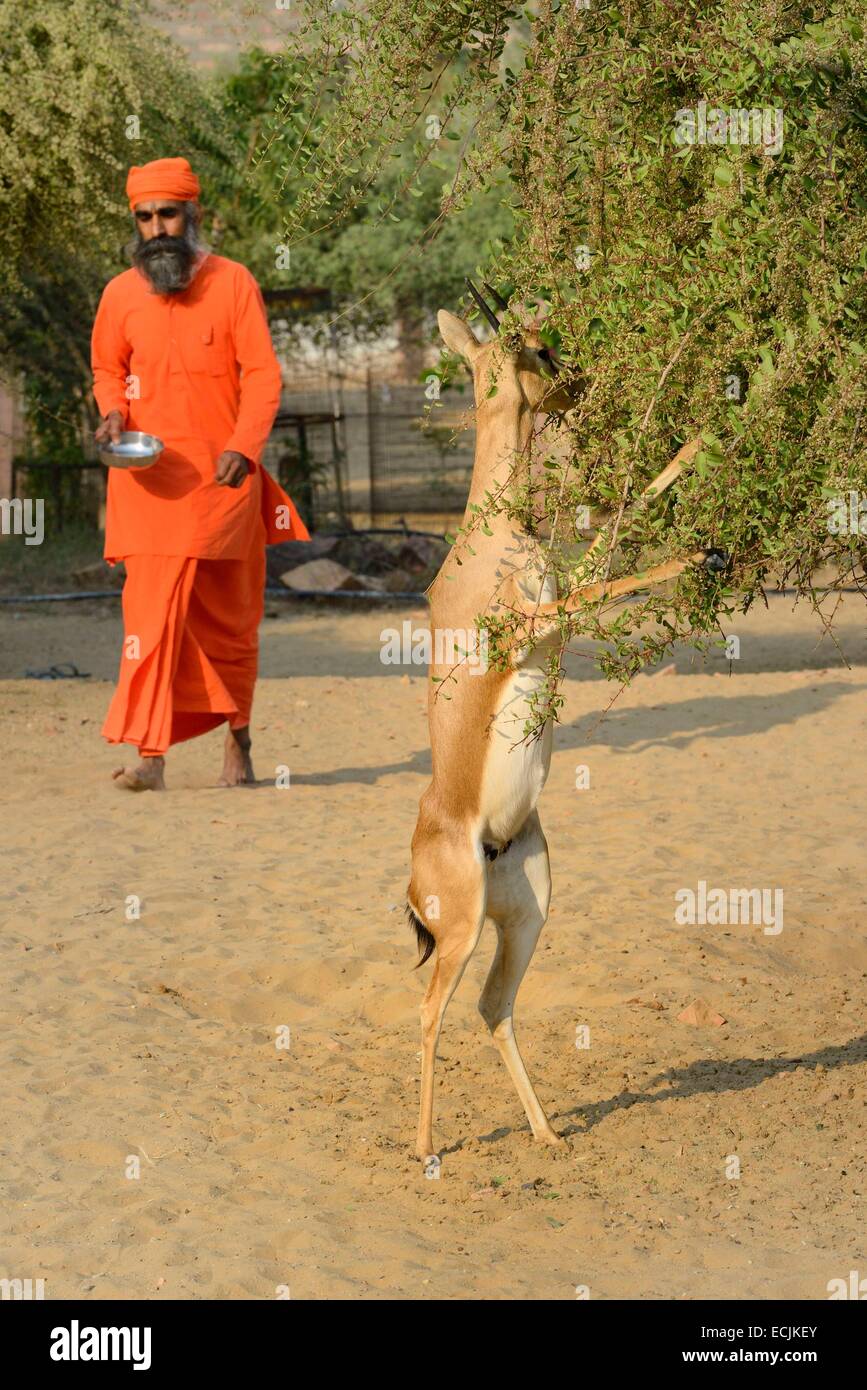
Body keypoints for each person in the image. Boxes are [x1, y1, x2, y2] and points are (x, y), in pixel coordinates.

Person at [91, 156, 309, 790]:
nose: (157, 227)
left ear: (194, 216)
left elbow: (263, 375)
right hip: (149, 487)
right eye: (145, 217)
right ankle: (151, 759)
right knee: (151, 623)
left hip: (224, 485)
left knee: (229, 624)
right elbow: (108, 370)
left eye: (168, 214)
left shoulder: (233, 282)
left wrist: (245, 445)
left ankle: (238, 746)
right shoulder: (119, 294)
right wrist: (112, 413)